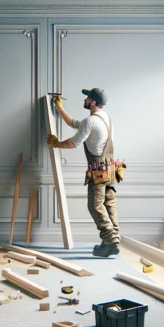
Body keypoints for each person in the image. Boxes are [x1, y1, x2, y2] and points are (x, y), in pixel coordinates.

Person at [47, 88, 120, 257]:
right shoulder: (105, 118)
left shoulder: (91, 121)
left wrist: (56, 143)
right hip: (111, 167)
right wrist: (60, 108)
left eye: (88, 97)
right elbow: (74, 123)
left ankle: (110, 242)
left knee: (95, 205)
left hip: (98, 169)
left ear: (93, 102)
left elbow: (74, 143)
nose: (85, 99)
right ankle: (113, 239)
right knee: (109, 204)